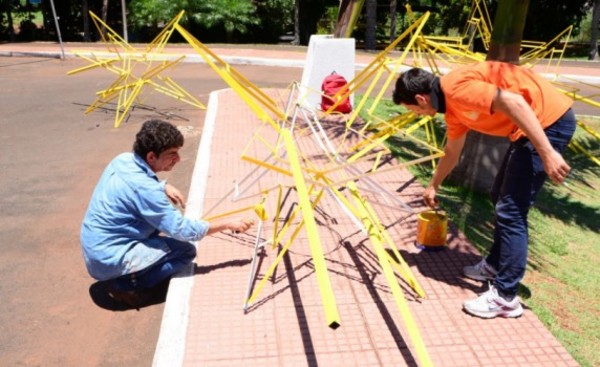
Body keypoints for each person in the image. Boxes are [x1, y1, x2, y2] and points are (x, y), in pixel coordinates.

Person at [392, 61, 576, 319]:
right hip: (529, 128)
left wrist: (547, 152)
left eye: (413, 109)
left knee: (511, 211)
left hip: (548, 123)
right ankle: (494, 265)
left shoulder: (455, 87)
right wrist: (433, 184)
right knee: (499, 196)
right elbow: (452, 151)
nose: (416, 114)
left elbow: (514, 102)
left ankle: (505, 297)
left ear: (421, 99)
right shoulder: (452, 108)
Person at [81, 119, 253, 308]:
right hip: (109, 258)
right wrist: (227, 224)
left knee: (156, 231)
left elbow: (137, 185)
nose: (178, 159)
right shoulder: (147, 190)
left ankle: (129, 274)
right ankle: (125, 285)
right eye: (172, 154)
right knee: (185, 251)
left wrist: (163, 186)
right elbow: (182, 230)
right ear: (151, 157)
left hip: (95, 248)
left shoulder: (123, 160)